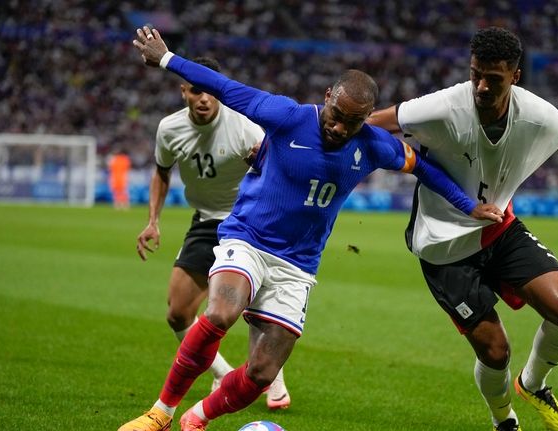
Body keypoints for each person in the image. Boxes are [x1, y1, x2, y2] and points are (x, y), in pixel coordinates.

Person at [120, 26, 504, 431]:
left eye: (352, 123)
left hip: (298, 266)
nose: (340, 128)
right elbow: (226, 88)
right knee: (219, 313)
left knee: (261, 374)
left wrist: (468, 205)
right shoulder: (288, 116)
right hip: (248, 240)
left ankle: (198, 417)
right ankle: (161, 412)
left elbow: (422, 167)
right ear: (327, 98)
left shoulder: (374, 144)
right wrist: (166, 58)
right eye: (337, 116)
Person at [368, 27, 558, 431]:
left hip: (498, 228)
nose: (481, 85)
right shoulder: (441, 107)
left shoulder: (537, 114)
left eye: (494, 77)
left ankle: (533, 384)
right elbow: (370, 123)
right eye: (476, 73)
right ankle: (503, 420)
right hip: (443, 246)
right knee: (495, 351)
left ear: (515, 75)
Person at [136, 56, 291, 411]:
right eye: (195, 91)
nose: (203, 99)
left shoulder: (245, 126)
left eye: (209, 92)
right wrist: (153, 221)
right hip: (206, 222)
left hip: (248, 220)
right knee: (177, 313)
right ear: (183, 91)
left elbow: (278, 168)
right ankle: (221, 372)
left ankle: (274, 375)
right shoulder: (169, 129)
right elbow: (161, 172)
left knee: (251, 304)